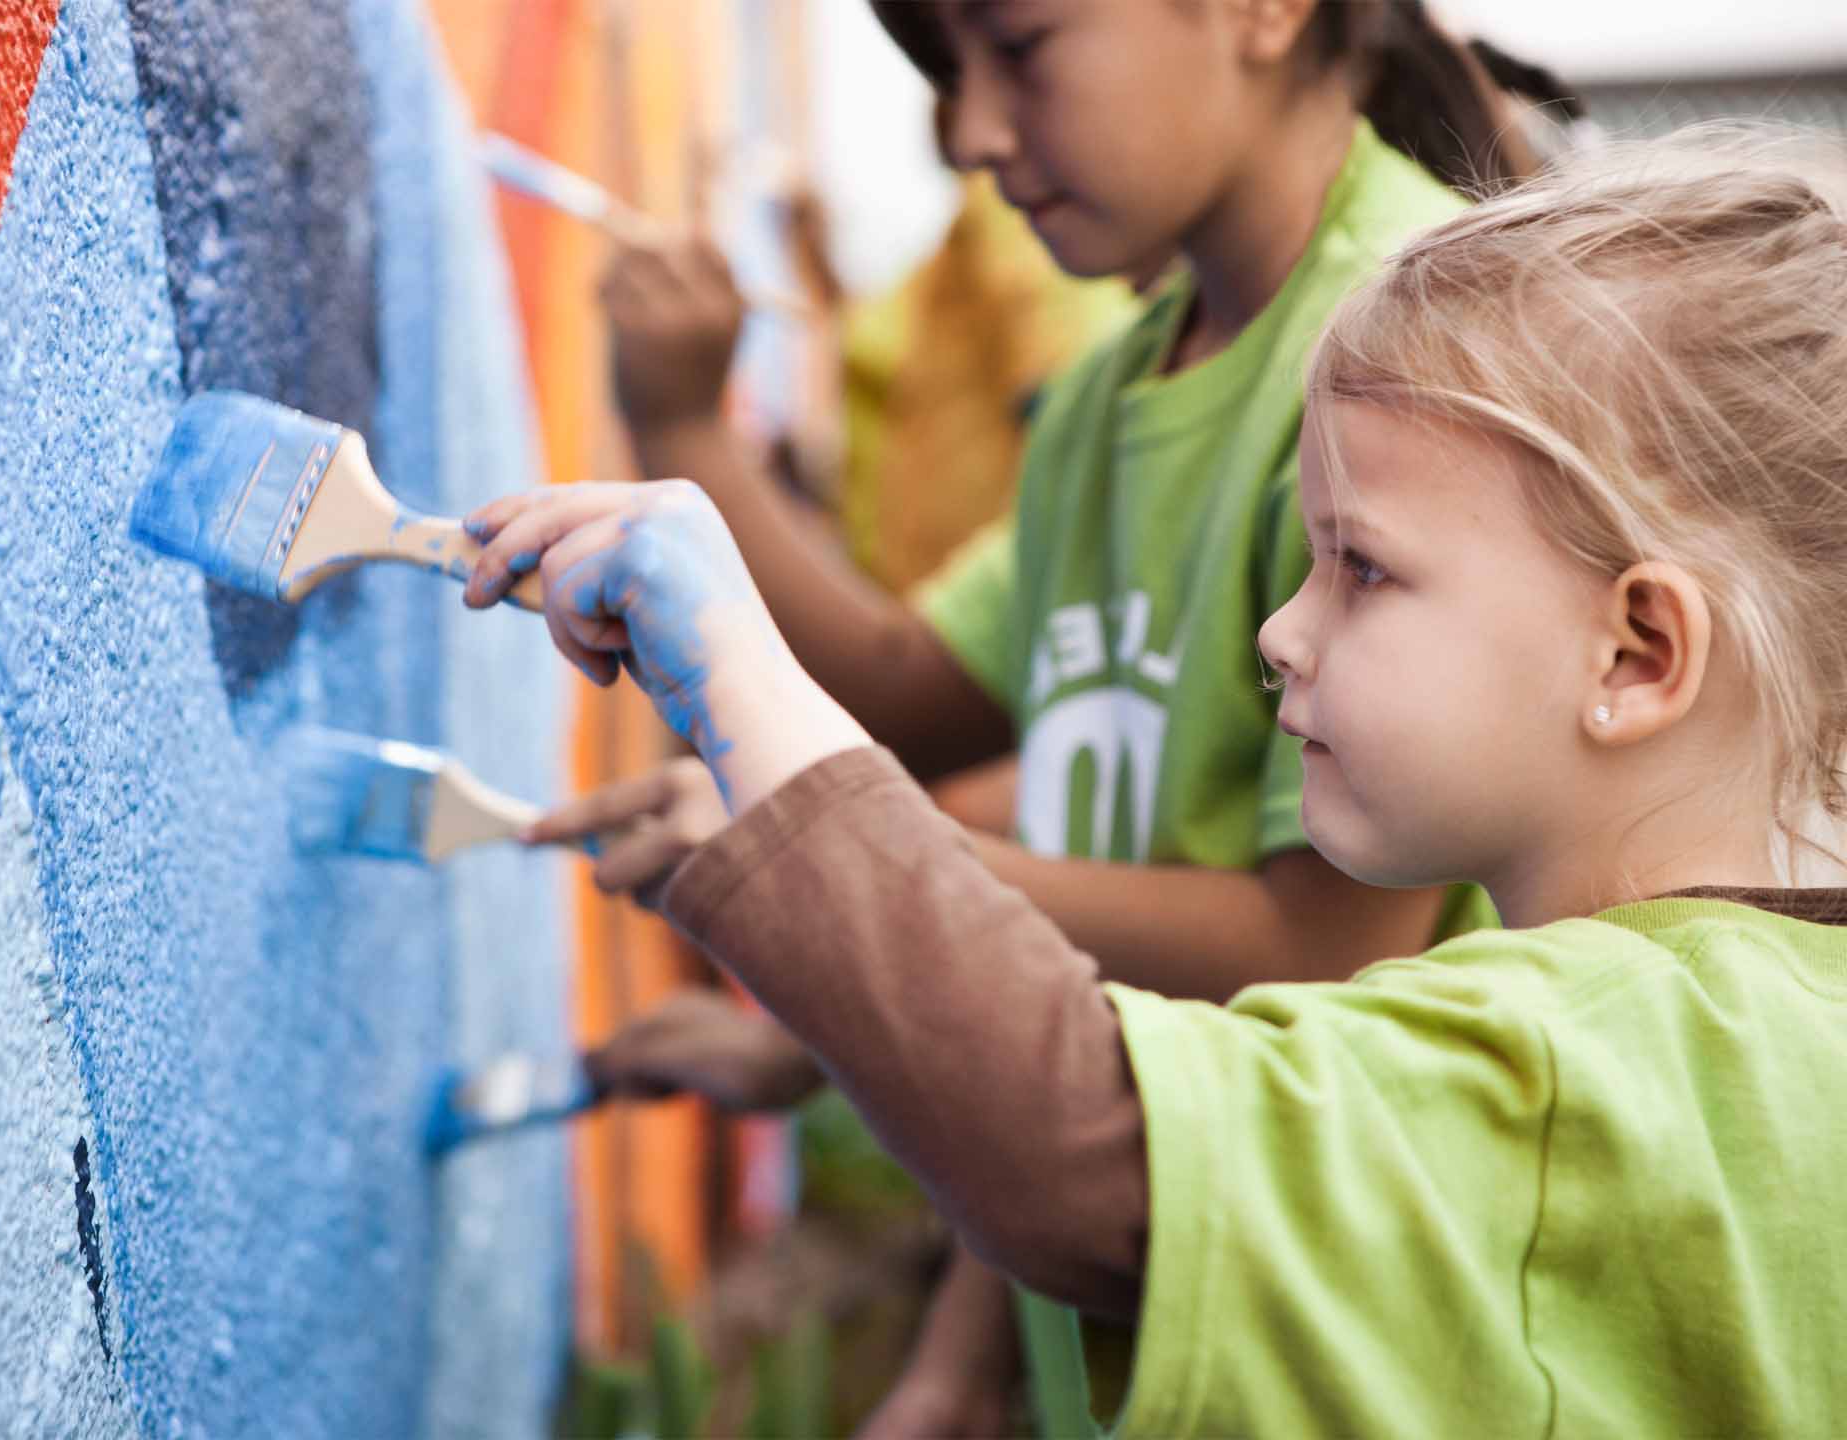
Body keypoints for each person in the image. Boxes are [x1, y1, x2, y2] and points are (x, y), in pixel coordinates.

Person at [470, 121, 1847, 1435]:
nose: (1280, 630)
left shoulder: (1581, 1061)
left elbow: (1077, 1152)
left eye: (1361, 568)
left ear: (1640, 651)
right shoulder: (1773, 1042)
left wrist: (730, 666)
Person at [556, 0, 1570, 1429]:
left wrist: (842, 855)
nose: (967, 132)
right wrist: (963, 1369)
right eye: (943, 69)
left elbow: (1318, 949)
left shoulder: (1402, 359)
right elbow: (911, 689)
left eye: (1020, 49)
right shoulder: (1105, 393)